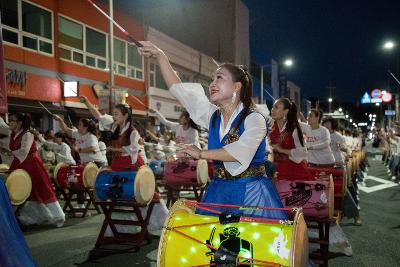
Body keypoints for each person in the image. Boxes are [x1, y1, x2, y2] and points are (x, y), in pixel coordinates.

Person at [138, 41, 287, 219]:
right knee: (212, 242)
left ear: (237, 86)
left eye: (219, 78)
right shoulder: (213, 115)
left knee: (253, 243)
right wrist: (161, 56)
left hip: (251, 194)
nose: (212, 83)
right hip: (219, 189)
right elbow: (180, 91)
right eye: (212, 79)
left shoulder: (254, 118)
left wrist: (201, 154)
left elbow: (242, 151)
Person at [0, 114, 65, 227]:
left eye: (12, 120)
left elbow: (24, 151)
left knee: (41, 189)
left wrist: (9, 152)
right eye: (9, 120)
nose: (9, 122)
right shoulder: (13, 133)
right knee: (23, 191)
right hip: (20, 163)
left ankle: (56, 217)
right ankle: (31, 217)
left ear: (20, 123)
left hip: (32, 164)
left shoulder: (27, 134)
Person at [268, 98, 309, 180]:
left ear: (285, 111)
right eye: (273, 107)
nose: (272, 109)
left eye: (276, 107)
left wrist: (281, 150)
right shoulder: (269, 127)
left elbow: (303, 152)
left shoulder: (294, 128)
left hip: (293, 172)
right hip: (275, 172)